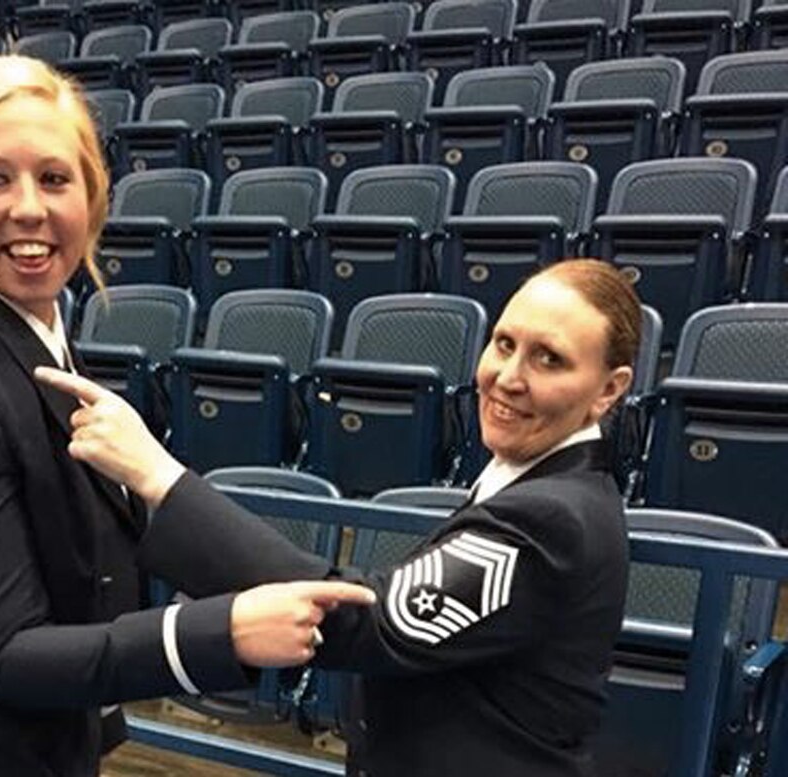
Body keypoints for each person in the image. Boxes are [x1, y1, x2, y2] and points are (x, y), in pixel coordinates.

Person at [0, 55, 375, 777]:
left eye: (56, 178)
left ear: (94, 199)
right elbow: (5, 652)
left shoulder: (40, 342)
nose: (29, 207)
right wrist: (218, 631)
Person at [36, 258, 640, 776]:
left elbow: (364, 626)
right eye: (504, 344)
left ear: (609, 390)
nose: (508, 378)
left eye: (549, 360)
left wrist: (158, 478)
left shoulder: (553, 518)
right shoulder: (537, 485)